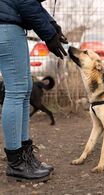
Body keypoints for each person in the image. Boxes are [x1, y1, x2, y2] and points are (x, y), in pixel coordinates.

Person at [0, 0, 68, 182]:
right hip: (6, 27)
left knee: (24, 89)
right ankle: (16, 162)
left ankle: (24, 156)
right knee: (16, 91)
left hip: (9, 25)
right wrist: (48, 34)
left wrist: (52, 25)